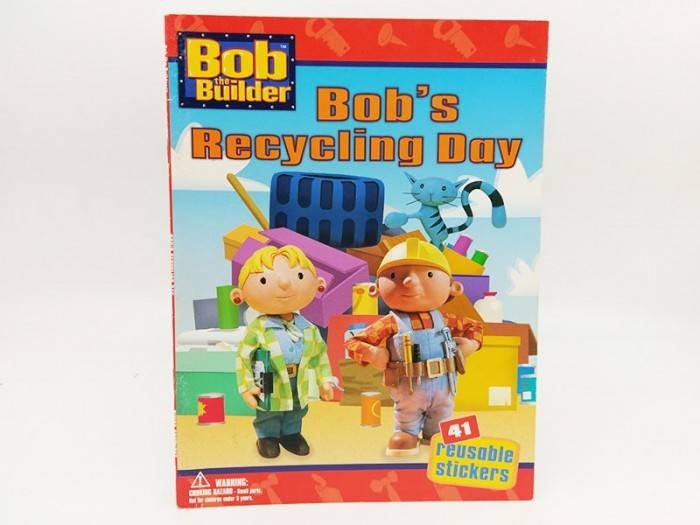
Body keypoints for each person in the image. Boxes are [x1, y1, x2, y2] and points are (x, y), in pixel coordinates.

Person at [345, 238, 483, 456]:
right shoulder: (390, 323)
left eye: (429, 275)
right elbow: (352, 342)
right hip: (408, 388)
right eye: (394, 276)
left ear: (453, 288)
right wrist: (373, 353)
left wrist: (470, 345)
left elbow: (475, 327)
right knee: (406, 416)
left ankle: (436, 433)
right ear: (376, 288)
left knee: (442, 417)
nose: (409, 281)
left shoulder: (445, 320)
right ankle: (407, 433)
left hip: (444, 387)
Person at [232, 245, 335, 459]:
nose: (285, 283)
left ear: (319, 285)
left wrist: (324, 381)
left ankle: (291, 433)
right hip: (270, 379)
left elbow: (319, 355)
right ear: (240, 295)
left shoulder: (307, 327)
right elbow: (243, 357)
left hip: (299, 379)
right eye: (264, 280)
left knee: (297, 407)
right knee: (270, 409)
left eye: (299, 276)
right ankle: (267, 435)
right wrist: (247, 387)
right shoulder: (258, 328)